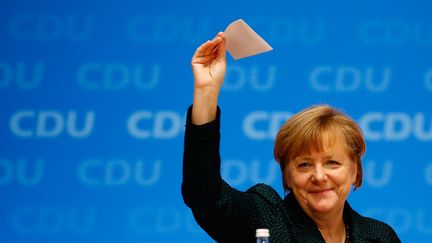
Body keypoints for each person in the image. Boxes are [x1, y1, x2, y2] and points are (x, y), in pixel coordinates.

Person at [181, 32, 401, 242]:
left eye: (332, 163)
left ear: (355, 170)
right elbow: (204, 195)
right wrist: (206, 91)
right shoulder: (266, 220)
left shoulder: (379, 236)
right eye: (304, 165)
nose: (319, 176)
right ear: (286, 176)